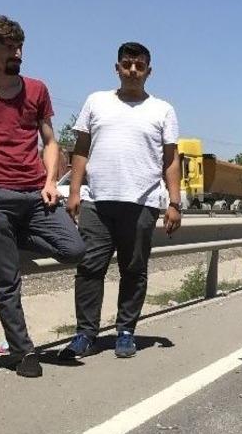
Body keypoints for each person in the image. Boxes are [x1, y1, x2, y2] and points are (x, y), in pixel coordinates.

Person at [0, 16, 86, 377]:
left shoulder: (37, 89)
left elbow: (50, 140)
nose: (17, 53)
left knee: (74, 249)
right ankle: (22, 351)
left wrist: (50, 180)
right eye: (8, 48)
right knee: (7, 276)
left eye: (19, 46)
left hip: (36, 193)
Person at [60, 42, 182, 360]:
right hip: (97, 201)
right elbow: (81, 149)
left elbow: (171, 159)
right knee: (89, 268)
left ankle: (126, 331)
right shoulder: (96, 101)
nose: (132, 70)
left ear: (149, 71)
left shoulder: (163, 110)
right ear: (117, 68)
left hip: (142, 202)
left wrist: (174, 202)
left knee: (133, 269)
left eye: (139, 66)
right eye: (126, 64)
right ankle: (85, 333)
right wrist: (74, 192)